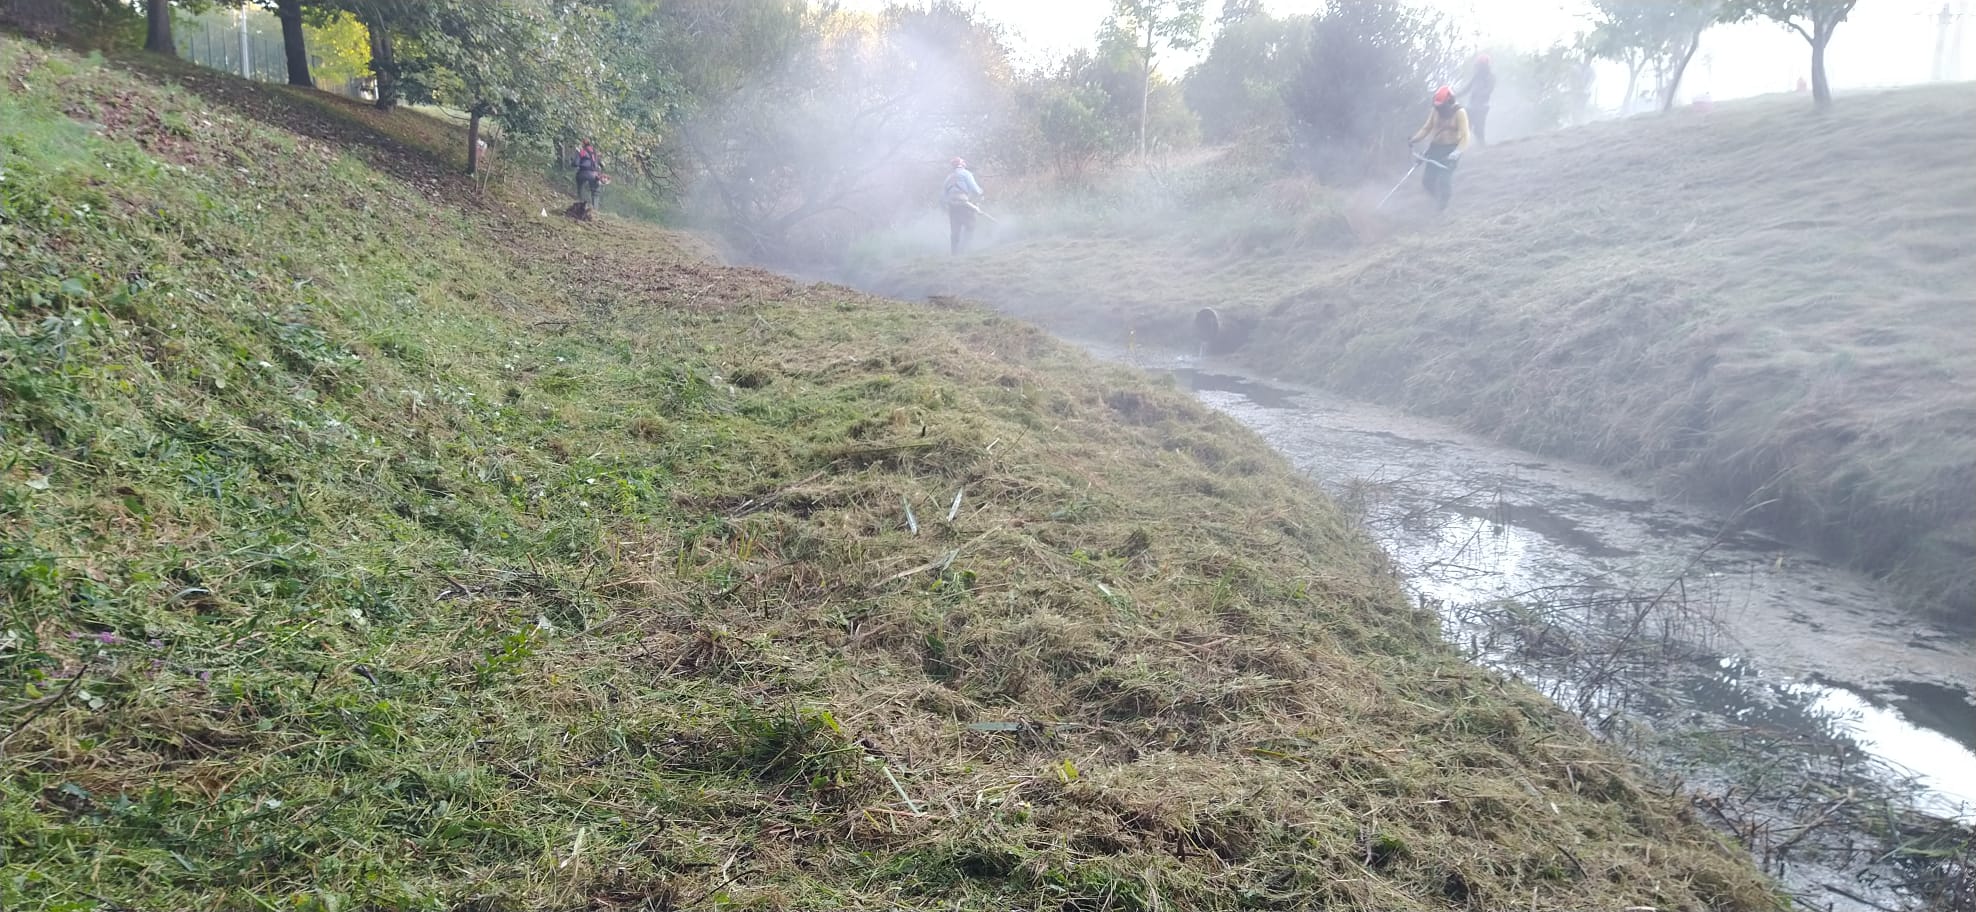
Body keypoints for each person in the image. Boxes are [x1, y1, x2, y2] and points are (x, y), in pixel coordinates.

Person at [1408, 86, 1470, 212]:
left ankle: (1442, 207)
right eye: (1437, 106)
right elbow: (1427, 128)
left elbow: (1465, 136)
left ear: (1450, 101)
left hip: (1451, 150)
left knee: (1444, 179)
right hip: (1435, 148)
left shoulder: (1460, 112)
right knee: (1427, 181)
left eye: (1441, 107)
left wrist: (1456, 152)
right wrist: (1414, 139)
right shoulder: (1435, 111)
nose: (1439, 109)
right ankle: (1435, 200)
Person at [942, 156, 984, 255]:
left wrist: (945, 206)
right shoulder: (966, 173)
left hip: (952, 206)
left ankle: (954, 253)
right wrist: (981, 193)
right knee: (970, 225)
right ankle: (965, 250)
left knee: (955, 231)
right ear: (962, 164)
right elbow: (975, 189)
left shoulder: (948, 178)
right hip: (964, 204)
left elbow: (943, 195)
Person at [1464, 53, 1496, 146]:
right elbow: (1467, 88)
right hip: (1472, 105)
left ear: (1485, 66)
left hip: (1482, 106)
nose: (1478, 67)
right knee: (1466, 125)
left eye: (1480, 65)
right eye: (1478, 65)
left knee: (1478, 128)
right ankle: (1462, 146)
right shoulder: (1476, 76)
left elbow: (1489, 90)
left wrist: (1478, 95)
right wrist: (1454, 95)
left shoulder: (1490, 77)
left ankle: (1481, 146)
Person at [573, 139, 602, 208]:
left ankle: (580, 205)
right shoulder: (595, 153)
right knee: (595, 192)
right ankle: (595, 208)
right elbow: (600, 164)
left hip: (582, 173)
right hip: (593, 174)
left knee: (580, 188)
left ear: (583, 144)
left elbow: (575, 163)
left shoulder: (582, 152)